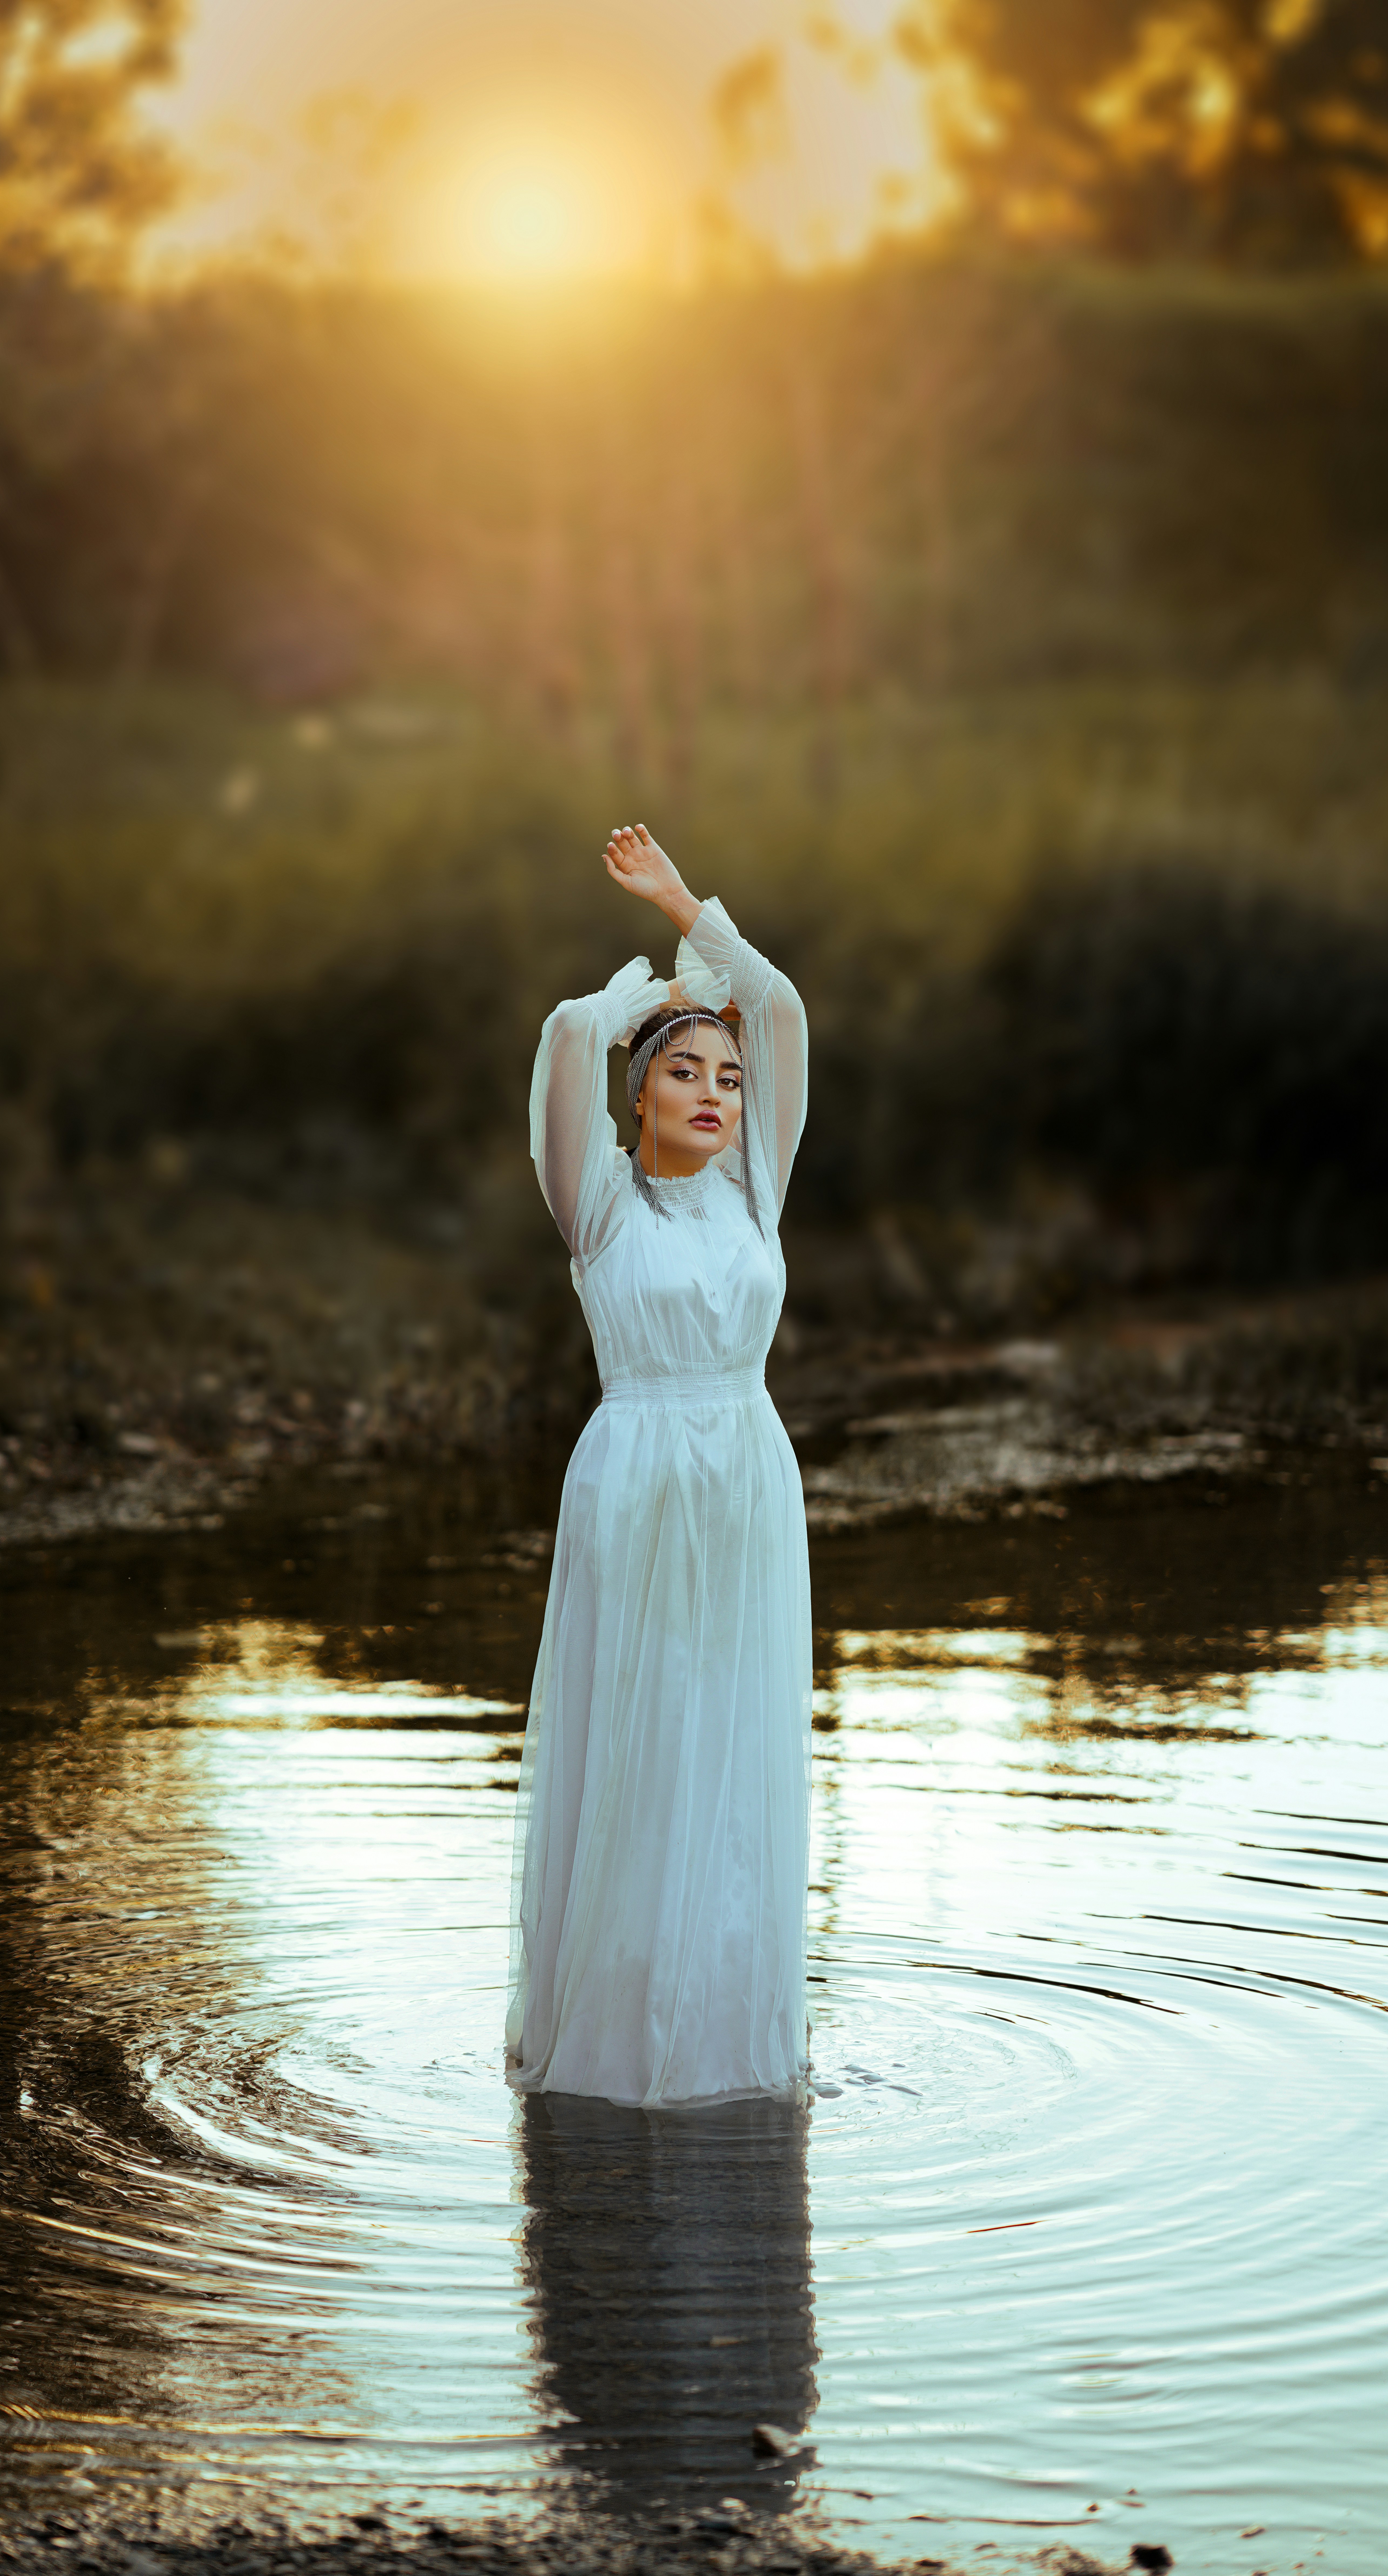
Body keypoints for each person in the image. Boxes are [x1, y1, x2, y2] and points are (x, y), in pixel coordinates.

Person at [505, 823, 811, 2108]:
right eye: (685, 1072)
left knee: (731, 1750)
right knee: (637, 1747)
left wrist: (693, 914)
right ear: (642, 1095)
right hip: (633, 1481)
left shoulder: (754, 1193)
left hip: (746, 1478)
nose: (712, 1092)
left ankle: (727, 2041)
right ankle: (618, 2047)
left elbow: (781, 1009)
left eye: (727, 1080)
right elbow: (571, 1048)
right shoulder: (599, 1211)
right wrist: (639, 999)